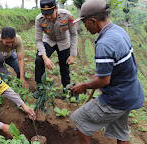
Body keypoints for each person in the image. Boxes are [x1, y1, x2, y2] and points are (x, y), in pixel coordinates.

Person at [70, 0, 145, 143]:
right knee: (121, 132)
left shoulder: (104, 43)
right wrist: (103, 73)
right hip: (130, 91)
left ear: (93, 21)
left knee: (80, 120)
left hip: (117, 98)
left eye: (85, 22)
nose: (85, 27)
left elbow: (104, 81)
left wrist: (84, 85)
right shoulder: (118, 30)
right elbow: (122, 64)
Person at [35, 0, 77, 91]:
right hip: (49, 40)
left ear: (56, 8)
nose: (48, 17)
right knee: (39, 60)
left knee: (64, 66)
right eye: (45, 14)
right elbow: (38, 40)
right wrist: (45, 58)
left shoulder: (67, 15)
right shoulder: (39, 19)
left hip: (63, 41)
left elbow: (73, 34)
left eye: (50, 13)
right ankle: (40, 88)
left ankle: (66, 90)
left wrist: (72, 54)